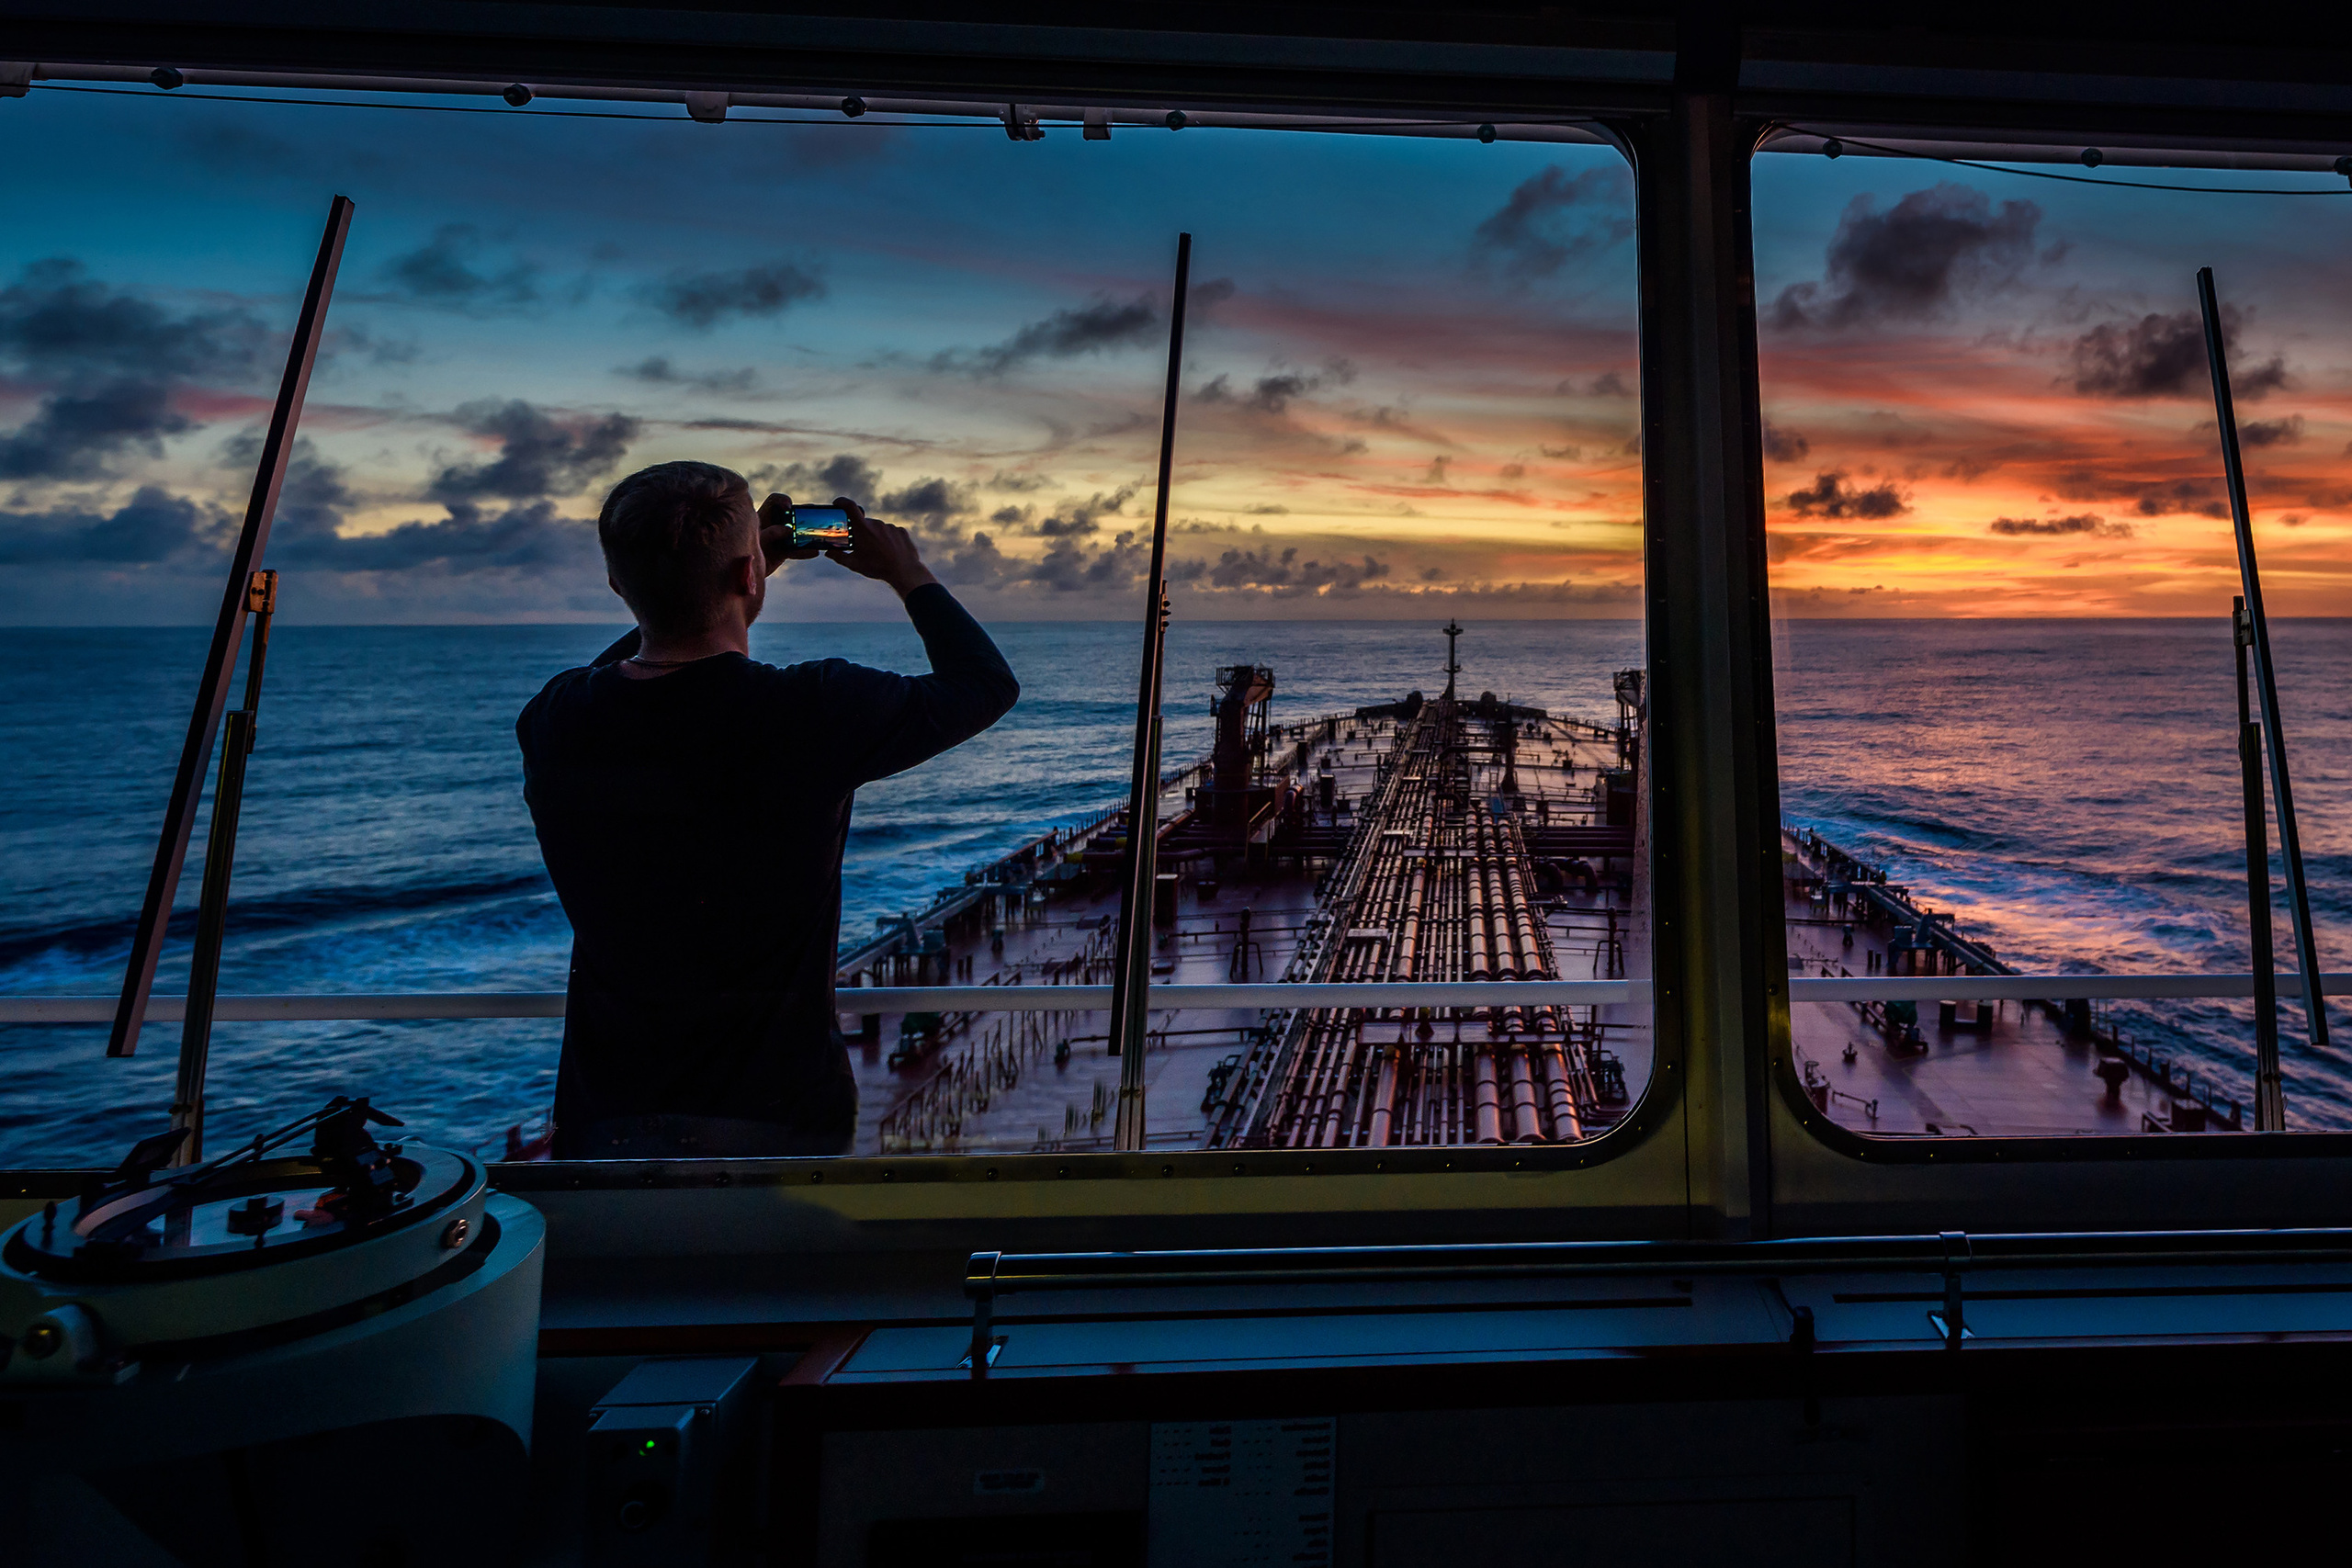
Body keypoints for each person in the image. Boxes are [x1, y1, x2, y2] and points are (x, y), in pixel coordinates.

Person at [516, 460, 1018, 1159]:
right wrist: (910, 573)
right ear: (748, 576)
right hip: (780, 1117)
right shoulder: (810, 710)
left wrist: (718, 580)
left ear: (616, 585)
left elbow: (627, 671)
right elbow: (985, 683)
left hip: (606, 1113)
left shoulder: (553, 721)